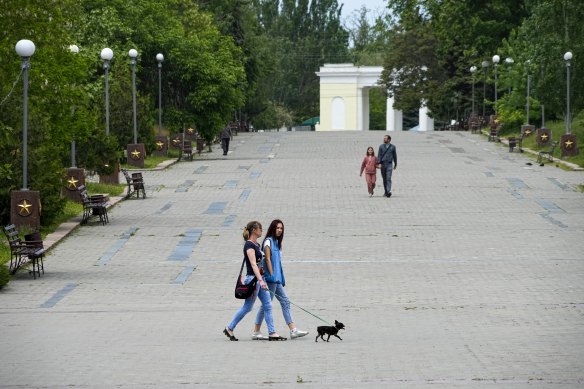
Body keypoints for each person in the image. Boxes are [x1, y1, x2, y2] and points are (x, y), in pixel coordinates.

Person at [224, 221, 286, 341]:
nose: (261, 231)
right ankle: (230, 327)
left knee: (268, 304)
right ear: (254, 230)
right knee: (247, 307)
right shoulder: (249, 246)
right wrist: (260, 280)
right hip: (253, 280)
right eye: (260, 229)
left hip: (259, 279)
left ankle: (272, 332)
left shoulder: (256, 245)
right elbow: (253, 264)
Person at [251, 219, 309, 340]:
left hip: (276, 280)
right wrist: (272, 275)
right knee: (269, 304)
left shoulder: (277, 242)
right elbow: (267, 259)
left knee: (279, 302)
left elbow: (278, 263)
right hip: (271, 279)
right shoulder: (268, 242)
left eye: (281, 228)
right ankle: (258, 331)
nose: (279, 230)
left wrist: (280, 277)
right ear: (272, 228)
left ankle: (292, 329)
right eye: (277, 228)